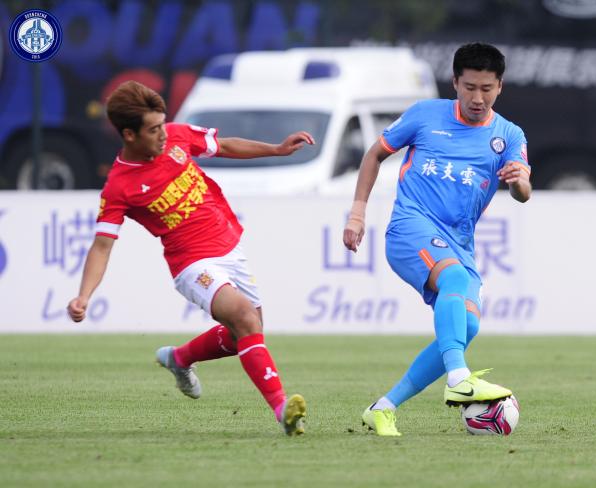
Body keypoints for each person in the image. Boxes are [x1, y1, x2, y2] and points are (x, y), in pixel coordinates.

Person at [67, 80, 314, 436]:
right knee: (245, 318)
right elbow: (102, 246)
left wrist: (276, 150)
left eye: (162, 124)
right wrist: (84, 296)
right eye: (153, 130)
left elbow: (224, 145)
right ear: (129, 135)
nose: (163, 134)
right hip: (192, 264)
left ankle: (179, 358)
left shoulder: (177, 136)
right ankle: (282, 409)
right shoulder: (119, 186)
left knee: (245, 333)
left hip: (229, 247)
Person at [343, 43, 531, 436]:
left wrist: (518, 181)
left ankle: (383, 408)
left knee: (467, 326)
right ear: (455, 83)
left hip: (458, 243)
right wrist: (358, 213)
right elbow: (374, 155)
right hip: (410, 229)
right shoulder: (425, 115)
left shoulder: (509, 135)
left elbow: (523, 192)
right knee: (455, 280)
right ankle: (459, 378)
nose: (477, 98)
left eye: (486, 89)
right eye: (469, 87)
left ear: (499, 87)